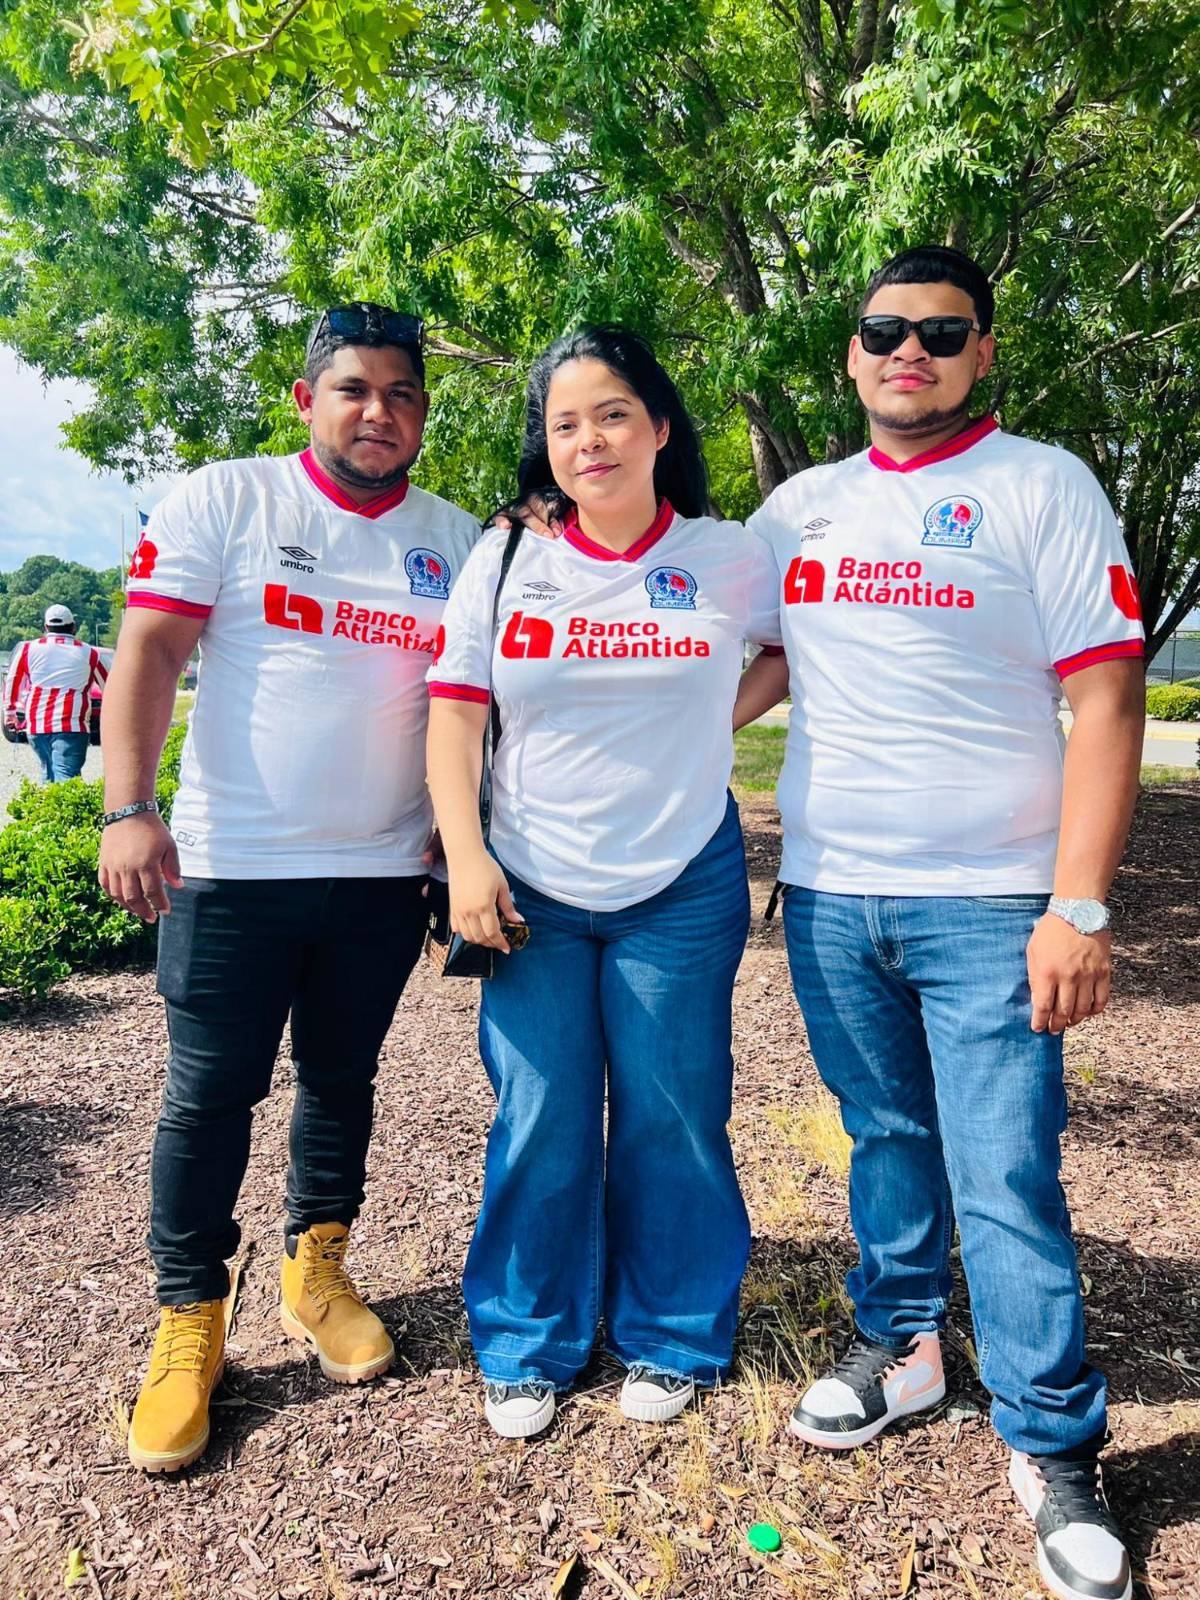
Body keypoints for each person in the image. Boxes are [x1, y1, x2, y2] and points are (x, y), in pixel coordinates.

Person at [746, 247, 1144, 1600]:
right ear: (851, 354)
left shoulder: (1043, 487)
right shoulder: (797, 509)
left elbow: (1106, 700)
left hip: (992, 904)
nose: (906, 350)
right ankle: (905, 1347)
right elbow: (728, 657)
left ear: (983, 354)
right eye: (883, 330)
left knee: (1008, 1174)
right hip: (832, 891)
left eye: (940, 331)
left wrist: (1077, 905)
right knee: (888, 1138)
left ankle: (1054, 1443)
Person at [98, 302, 481, 1474]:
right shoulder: (229, 498)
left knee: (341, 1079)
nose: (381, 412)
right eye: (355, 389)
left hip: (379, 873)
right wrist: (127, 806)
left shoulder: (454, 538)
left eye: (404, 394)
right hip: (230, 865)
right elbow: (151, 649)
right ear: (305, 398)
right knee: (210, 1099)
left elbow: (478, 703)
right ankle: (188, 1319)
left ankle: (316, 1265)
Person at [426, 325, 785, 1439]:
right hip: (528, 883)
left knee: (674, 1113)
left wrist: (700, 725)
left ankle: (674, 1332)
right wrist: (468, 856)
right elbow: (455, 711)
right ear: (546, 443)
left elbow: (785, 652)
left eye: (613, 413)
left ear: (661, 428)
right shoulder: (507, 556)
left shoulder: (730, 554)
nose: (589, 440)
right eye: (565, 421)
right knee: (540, 1113)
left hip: (680, 883)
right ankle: (529, 1339)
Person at [3, 604, 107, 781]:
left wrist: (10, 713)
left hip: (37, 726)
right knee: (66, 779)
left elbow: (14, 680)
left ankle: (46, 807)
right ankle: (64, 808)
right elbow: (109, 686)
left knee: (48, 773)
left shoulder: (28, 649)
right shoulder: (89, 653)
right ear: (73, 627)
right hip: (72, 726)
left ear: (46, 627)